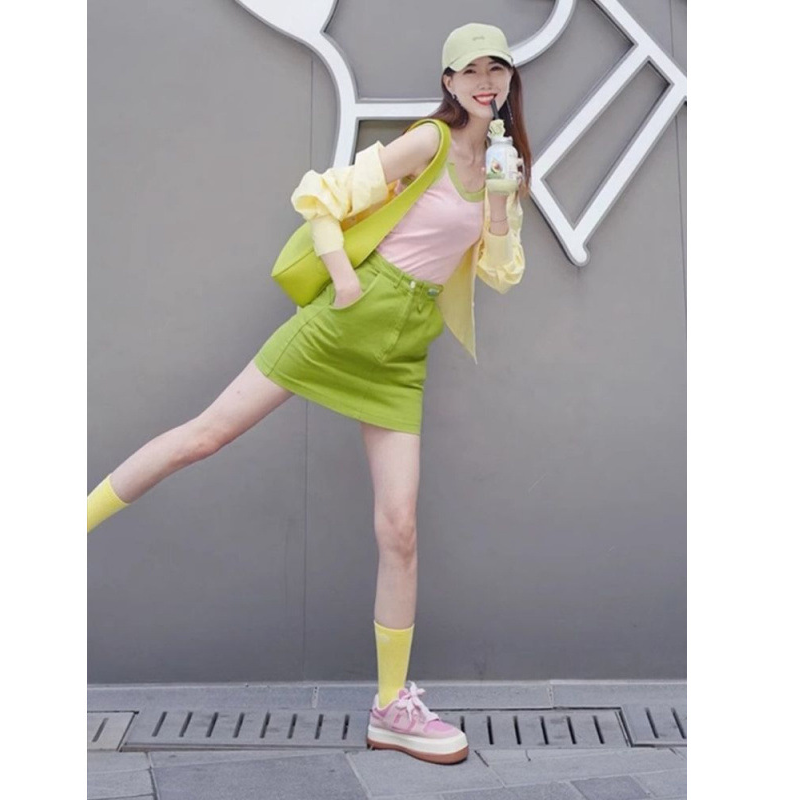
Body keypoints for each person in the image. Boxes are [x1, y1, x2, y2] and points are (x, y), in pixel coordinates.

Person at [87, 22, 531, 764]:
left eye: (498, 68)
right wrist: (345, 277)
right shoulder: (427, 141)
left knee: (400, 528)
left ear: (510, 79)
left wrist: (498, 199)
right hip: (346, 320)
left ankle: (391, 707)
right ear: (449, 81)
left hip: (403, 351)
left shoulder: (501, 163)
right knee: (205, 436)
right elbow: (322, 194)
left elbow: (499, 271)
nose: (486, 81)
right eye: (471, 69)